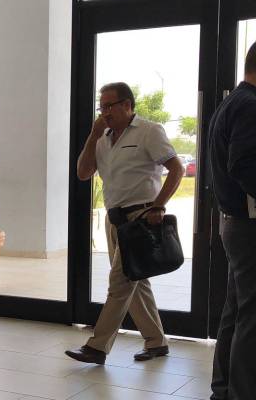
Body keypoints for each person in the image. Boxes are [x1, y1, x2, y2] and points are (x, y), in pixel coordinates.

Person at [66, 81, 184, 365]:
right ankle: (157, 342)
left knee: (120, 282)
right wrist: (93, 136)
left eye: (109, 106)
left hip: (140, 218)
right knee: (136, 280)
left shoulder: (149, 131)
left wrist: (159, 205)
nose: (104, 112)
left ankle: (97, 347)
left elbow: (177, 169)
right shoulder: (102, 137)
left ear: (127, 105)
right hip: (115, 220)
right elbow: (83, 172)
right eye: (101, 107)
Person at [207, 36, 256, 400]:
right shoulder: (253, 107)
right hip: (253, 229)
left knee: (237, 313)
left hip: (236, 224)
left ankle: (224, 392)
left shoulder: (233, 102)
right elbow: (243, 165)